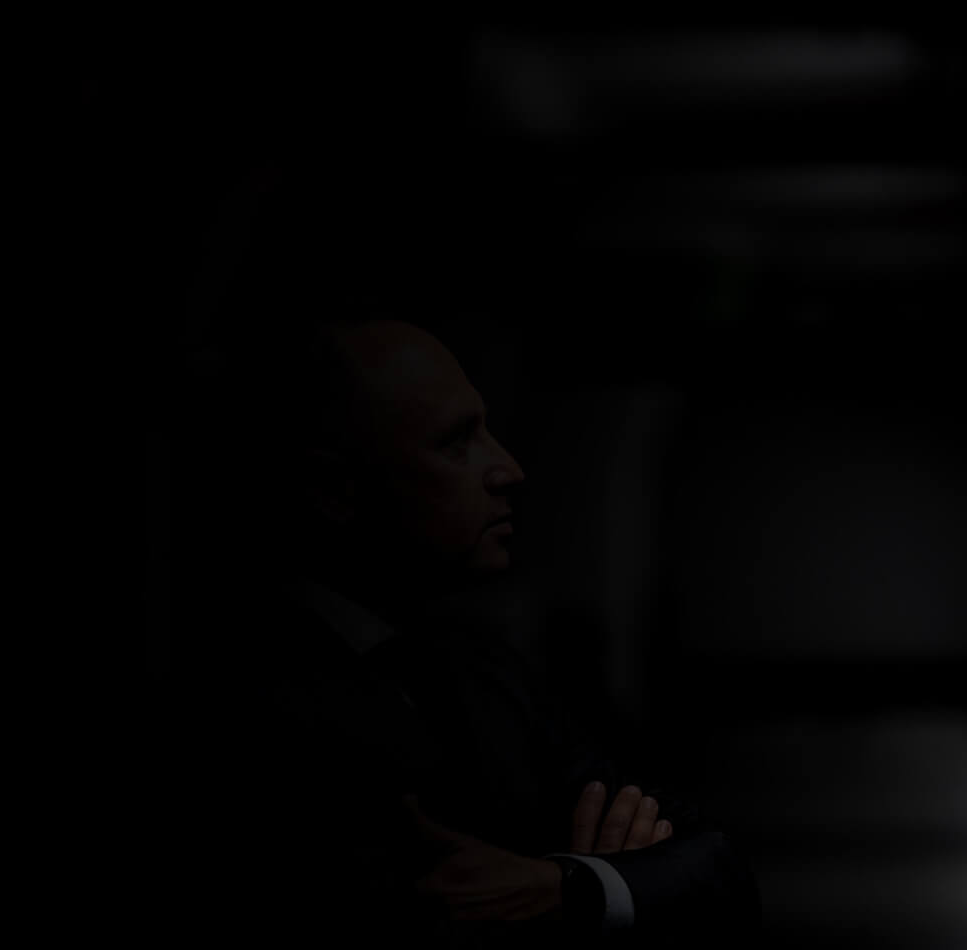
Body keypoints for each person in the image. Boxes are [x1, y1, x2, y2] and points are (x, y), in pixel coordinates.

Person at [170, 308, 757, 946]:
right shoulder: (237, 700)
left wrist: (569, 889)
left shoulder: (482, 670)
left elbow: (719, 867)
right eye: (456, 443)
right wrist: (594, 887)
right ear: (333, 488)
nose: (509, 468)